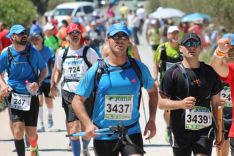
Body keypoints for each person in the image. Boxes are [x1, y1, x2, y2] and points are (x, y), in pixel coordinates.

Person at [72, 22, 158, 156]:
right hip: (104, 135)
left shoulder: (138, 68)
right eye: (115, 37)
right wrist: (88, 124)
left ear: (128, 41)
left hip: (131, 131)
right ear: (108, 40)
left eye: (124, 36)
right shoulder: (97, 70)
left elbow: (152, 92)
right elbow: (77, 100)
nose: (119, 40)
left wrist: (152, 119)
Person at [158, 33, 223, 156]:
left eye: (195, 44)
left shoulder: (209, 72)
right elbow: (161, 104)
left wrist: (220, 128)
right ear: (181, 48)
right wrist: (181, 104)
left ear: (200, 48)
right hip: (179, 130)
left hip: (204, 130)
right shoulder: (172, 73)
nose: (191, 47)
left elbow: (216, 103)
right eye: (188, 44)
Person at [50, 23, 99, 156]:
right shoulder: (62, 53)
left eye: (77, 32)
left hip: (86, 93)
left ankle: (85, 147)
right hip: (68, 92)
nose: (75, 35)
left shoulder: (89, 52)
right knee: (74, 127)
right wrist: (53, 84)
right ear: (67, 37)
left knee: (86, 128)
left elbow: (99, 71)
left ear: (81, 34)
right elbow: (58, 70)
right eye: (72, 33)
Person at [0, 24, 47, 156]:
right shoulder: (6, 53)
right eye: (21, 34)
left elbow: (44, 70)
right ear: (13, 37)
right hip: (14, 95)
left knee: (31, 134)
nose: (24, 35)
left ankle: (34, 147)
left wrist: (37, 82)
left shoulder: (33, 52)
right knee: (18, 130)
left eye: (25, 33)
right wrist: (3, 86)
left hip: (31, 95)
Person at [210, 33, 234, 156]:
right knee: (222, 151)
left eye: (233, 49)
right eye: (229, 49)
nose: (231, 52)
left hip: (232, 114)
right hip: (222, 115)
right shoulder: (217, 68)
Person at [30, 31, 55, 132]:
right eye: (33, 38)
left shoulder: (49, 50)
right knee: (39, 102)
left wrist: (54, 81)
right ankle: (41, 124)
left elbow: (54, 66)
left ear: (42, 39)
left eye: (37, 38)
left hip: (48, 80)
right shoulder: (31, 51)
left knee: (49, 102)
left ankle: (50, 117)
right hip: (37, 81)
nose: (35, 40)